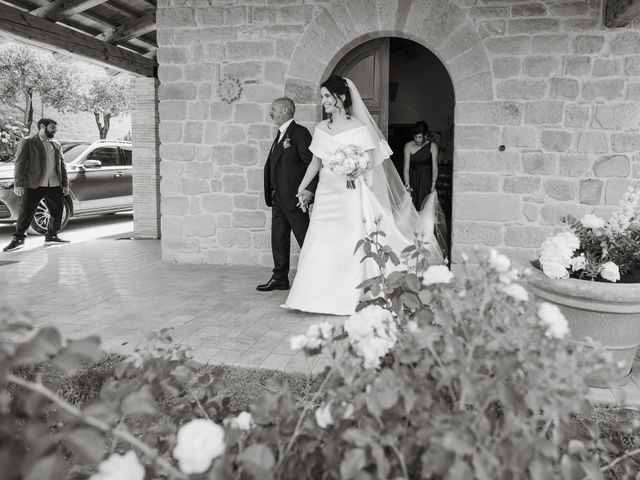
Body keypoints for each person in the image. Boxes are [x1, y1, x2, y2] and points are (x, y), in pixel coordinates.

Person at [281, 76, 443, 316]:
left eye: (327, 96)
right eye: (322, 96)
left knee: (347, 241)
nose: (323, 100)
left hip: (349, 194)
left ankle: (345, 295)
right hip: (327, 193)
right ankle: (310, 295)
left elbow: (368, 163)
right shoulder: (320, 128)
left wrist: (354, 168)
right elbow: (314, 163)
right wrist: (302, 188)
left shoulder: (359, 127)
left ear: (341, 98)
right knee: (320, 239)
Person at [257, 97, 317, 292]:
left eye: (273, 109)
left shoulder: (299, 133)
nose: (270, 112)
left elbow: (312, 164)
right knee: (278, 239)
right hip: (277, 199)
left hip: (295, 199)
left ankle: (316, 276)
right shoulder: (280, 134)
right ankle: (280, 278)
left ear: (284, 110)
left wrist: (309, 190)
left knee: (305, 238)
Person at [3, 118, 70, 252]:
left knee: (57, 212)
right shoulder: (28, 142)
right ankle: (18, 239)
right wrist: (19, 183)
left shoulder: (56, 145)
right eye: (52, 128)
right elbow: (20, 163)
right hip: (34, 185)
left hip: (55, 185)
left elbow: (61, 165)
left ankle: (52, 236)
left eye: (55, 129)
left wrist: (65, 184)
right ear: (42, 126)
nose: (54, 131)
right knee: (26, 212)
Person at [403, 121, 438, 210]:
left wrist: (433, 185)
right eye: (415, 137)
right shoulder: (408, 146)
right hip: (413, 179)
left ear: (425, 135)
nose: (417, 139)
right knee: (412, 208)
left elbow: (435, 169)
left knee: (426, 208)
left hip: (427, 180)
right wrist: (407, 185)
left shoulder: (432, 146)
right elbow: (406, 168)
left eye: (420, 137)